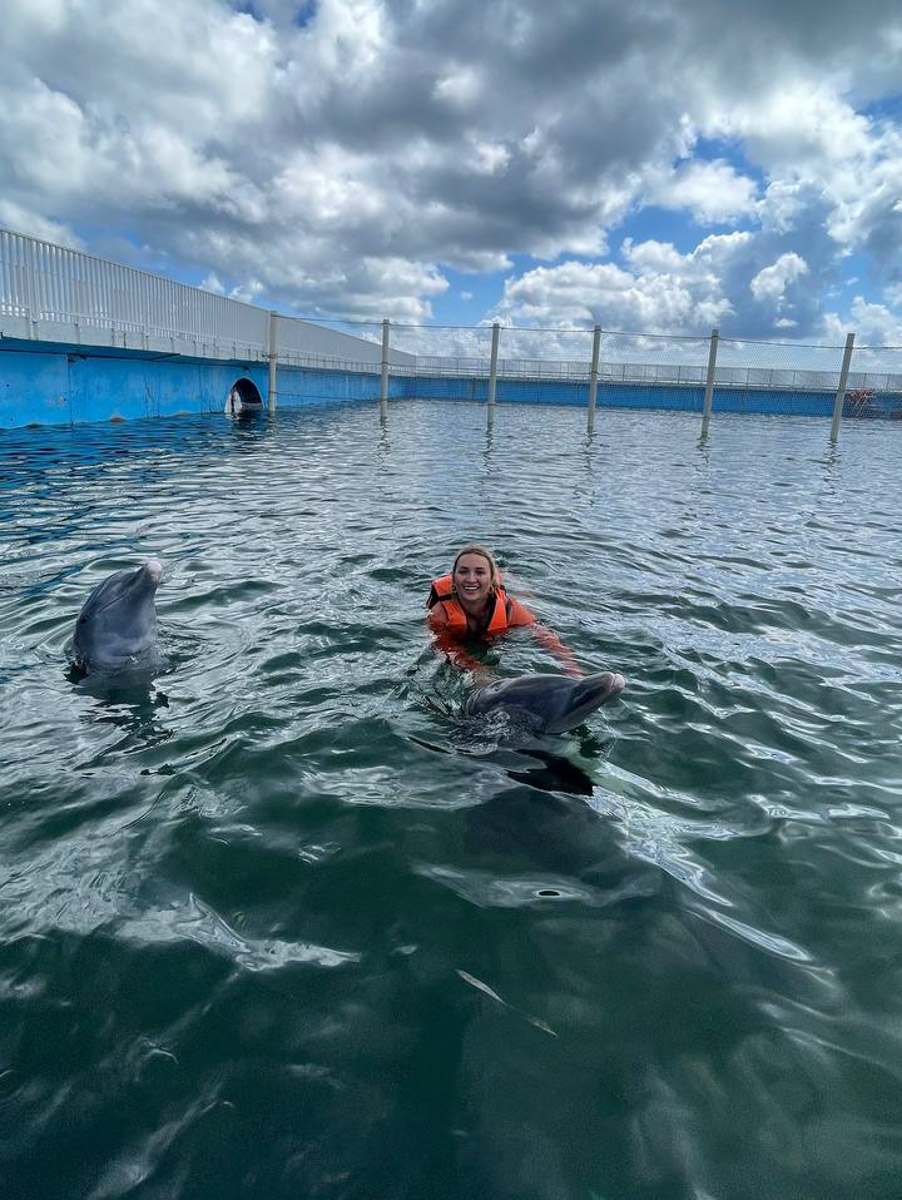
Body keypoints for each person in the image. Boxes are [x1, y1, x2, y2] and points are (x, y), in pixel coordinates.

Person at [426, 544, 582, 675]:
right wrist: (478, 672)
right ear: (453, 577)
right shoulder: (440, 613)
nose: (470, 579)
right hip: (462, 641)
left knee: (528, 597)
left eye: (479, 572)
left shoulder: (509, 609)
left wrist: (572, 668)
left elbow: (544, 635)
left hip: (499, 597)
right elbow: (447, 648)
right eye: (463, 572)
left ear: (492, 578)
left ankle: (509, 576)